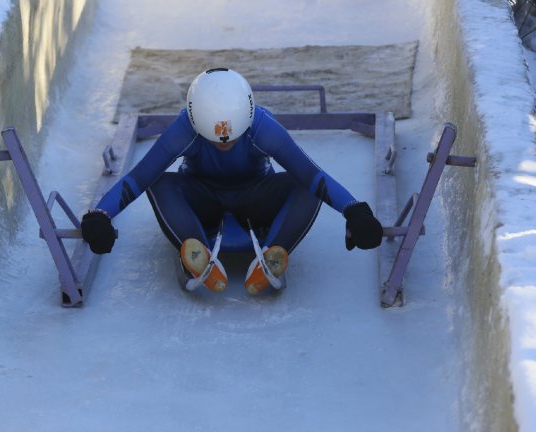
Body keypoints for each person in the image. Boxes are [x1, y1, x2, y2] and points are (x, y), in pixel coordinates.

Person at [81, 68, 383, 295]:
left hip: (256, 197)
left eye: (232, 138)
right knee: (160, 183)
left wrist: (355, 211)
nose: (224, 144)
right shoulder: (185, 129)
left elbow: (311, 175)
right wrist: (100, 215)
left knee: (305, 187)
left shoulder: (262, 127)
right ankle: (194, 249)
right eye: (215, 141)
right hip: (202, 199)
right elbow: (139, 178)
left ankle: (273, 254)